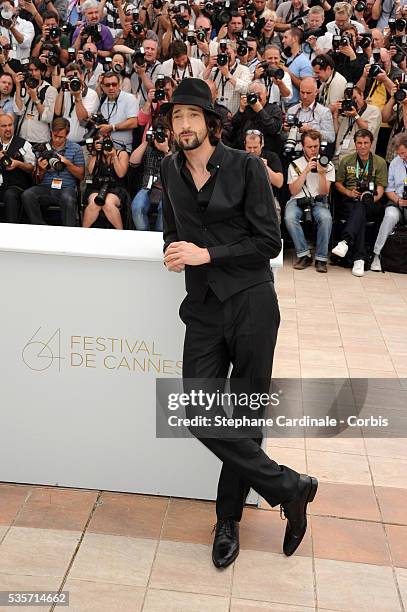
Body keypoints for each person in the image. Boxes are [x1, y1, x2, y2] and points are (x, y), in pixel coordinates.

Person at [161, 77, 318, 569]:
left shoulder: (248, 166)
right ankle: (290, 488)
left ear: (210, 122)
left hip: (251, 303)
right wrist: (174, 253)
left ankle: (228, 518)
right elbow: (173, 230)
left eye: (193, 116)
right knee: (198, 409)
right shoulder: (168, 169)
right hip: (204, 307)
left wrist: (206, 253)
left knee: (246, 415)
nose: (184, 125)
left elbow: (269, 242)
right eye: (176, 117)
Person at [332, 129, 388, 277]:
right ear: (355, 144)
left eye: (366, 143)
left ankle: (345, 241)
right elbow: (338, 184)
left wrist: (369, 198)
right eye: (359, 143)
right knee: (359, 214)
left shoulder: (380, 162)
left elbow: (381, 189)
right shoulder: (346, 160)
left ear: (371, 143)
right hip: (350, 201)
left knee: (362, 206)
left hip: (372, 202)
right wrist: (349, 193)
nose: (362, 146)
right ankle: (359, 259)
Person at [285, 130, 334, 272]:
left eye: (316, 146)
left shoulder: (327, 165)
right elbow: (293, 191)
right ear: (302, 146)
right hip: (298, 200)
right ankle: (304, 255)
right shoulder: (294, 164)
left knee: (326, 218)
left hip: (318, 200)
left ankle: (321, 258)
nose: (313, 150)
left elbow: (325, 192)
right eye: (310, 147)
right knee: (289, 217)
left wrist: (322, 173)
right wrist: (305, 171)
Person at [22, 117, 85, 226]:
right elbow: (37, 180)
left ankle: (69, 233)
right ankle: (41, 227)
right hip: (46, 187)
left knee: (68, 198)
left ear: (67, 134)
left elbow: (81, 176)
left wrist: (68, 164)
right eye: (54, 136)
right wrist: (41, 170)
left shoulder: (76, 148)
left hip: (66, 188)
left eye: (60, 137)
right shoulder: (42, 148)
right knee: (27, 195)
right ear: (51, 132)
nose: (56, 140)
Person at [371, 133, 407, 272]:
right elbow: (389, 190)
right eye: (399, 154)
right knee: (389, 216)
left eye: (403, 153)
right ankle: (377, 254)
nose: (402, 157)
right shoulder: (395, 162)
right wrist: (398, 200)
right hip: (398, 202)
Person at [82, 135, 129, 229]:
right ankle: (84, 233)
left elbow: (121, 174)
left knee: (108, 203)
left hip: (116, 187)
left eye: (105, 141)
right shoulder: (97, 155)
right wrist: (95, 153)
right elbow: (92, 171)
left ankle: (120, 233)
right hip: (97, 187)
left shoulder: (122, 154)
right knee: (95, 203)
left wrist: (114, 156)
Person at [130, 123, 170, 230]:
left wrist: (166, 151)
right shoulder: (149, 148)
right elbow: (133, 163)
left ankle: (159, 238)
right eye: (158, 132)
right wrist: (145, 142)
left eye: (165, 131)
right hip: (147, 188)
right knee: (137, 207)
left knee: (165, 208)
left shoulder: (176, 148)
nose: (161, 134)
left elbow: (177, 169)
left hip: (169, 190)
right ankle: (145, 236)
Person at [0, 111, 35, 222]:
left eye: (10, 125)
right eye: (4, 126)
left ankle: (12, 232)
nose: (8, 129)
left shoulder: (24, 144)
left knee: (10, 195)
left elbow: (31, 167)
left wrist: (18, 164)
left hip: (16, 186)